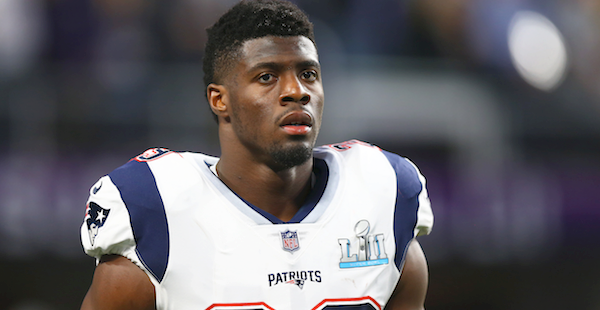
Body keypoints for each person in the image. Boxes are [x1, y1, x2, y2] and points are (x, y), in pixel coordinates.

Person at [79, 0, 434, 309]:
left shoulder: (381, 193)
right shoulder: (157, 209)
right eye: (267, 77)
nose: (297, 92)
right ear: (220, 100)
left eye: (308, 74)